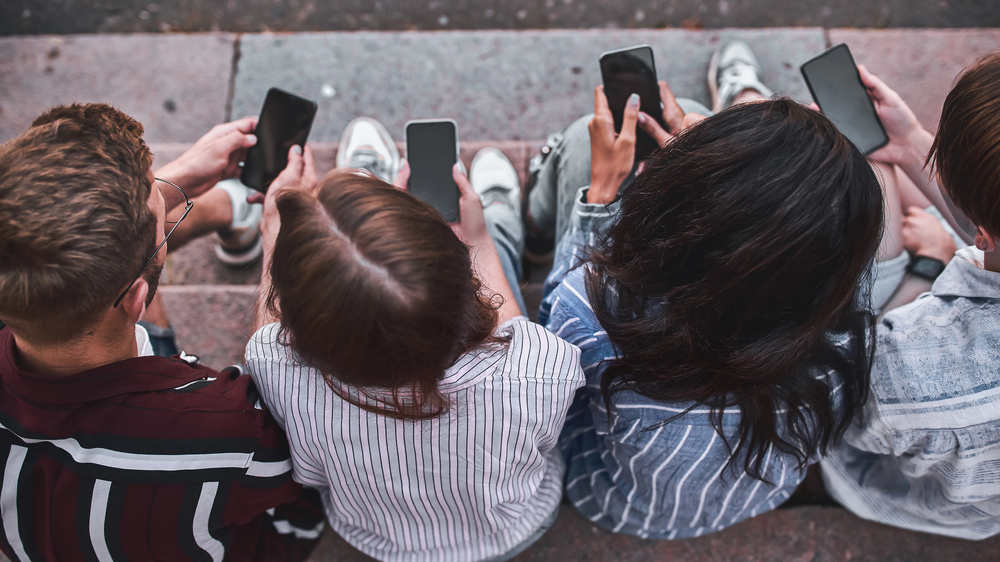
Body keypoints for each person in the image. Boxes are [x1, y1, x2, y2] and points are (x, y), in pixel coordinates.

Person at [530, 41, 884, 538]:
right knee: (697, 115)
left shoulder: (594, 309)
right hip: (758, 495)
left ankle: (526, 209)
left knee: (578, 140)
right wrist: (712, 165)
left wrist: (602, 195)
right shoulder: (848, 332)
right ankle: (729, 101)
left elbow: (549, 329)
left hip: (615, 501)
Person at [244, 118, 584, 561]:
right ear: (464, 290)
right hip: (512, 529)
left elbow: (267, 338)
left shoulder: (276, 368)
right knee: (496, 233)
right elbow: (516, 339)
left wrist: (275, 227)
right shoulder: (537, 370)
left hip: (379, 540)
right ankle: (498, 219)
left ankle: (364, 230)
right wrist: (476, 239)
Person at [0, 103, 323, 561]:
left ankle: (225, 211)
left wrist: (181, 177)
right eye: (163, 212)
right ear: (136, 301)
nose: (169, 197)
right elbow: (286, 413)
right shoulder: (220, 431)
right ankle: (239, 215)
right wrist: (280, 232)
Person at [820, 53, 1000, 540]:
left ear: (978, 233)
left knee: (872, 181)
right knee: (884, 164)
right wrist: (911, 144)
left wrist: (928, 268)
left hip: (888, 488)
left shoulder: (912, 363)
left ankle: (744, 98)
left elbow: (842, 413)